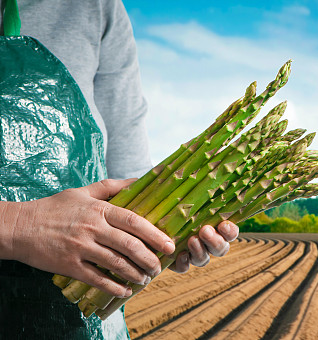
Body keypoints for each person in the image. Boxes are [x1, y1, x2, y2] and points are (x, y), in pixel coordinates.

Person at [0, 0, 238, 338]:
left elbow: (130, 176)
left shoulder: (94, 7)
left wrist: (166, 236)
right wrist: (17, 226)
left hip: (81, 322)